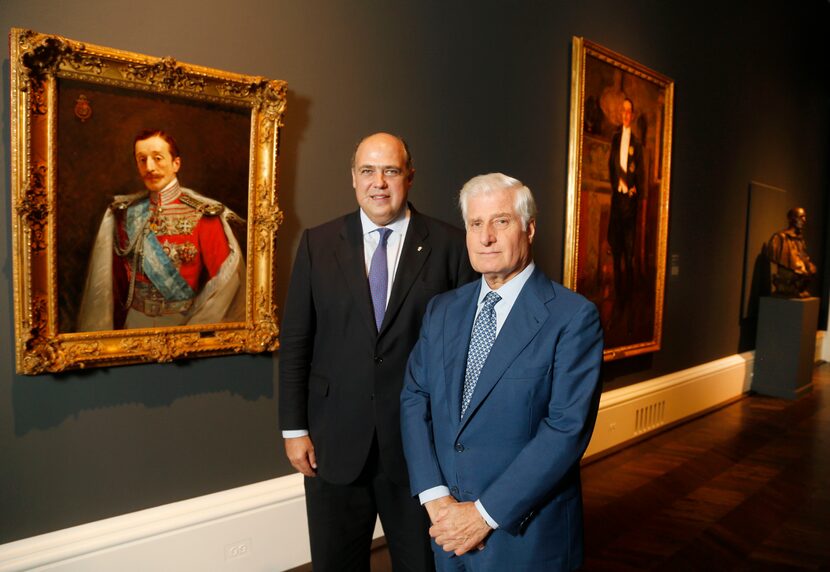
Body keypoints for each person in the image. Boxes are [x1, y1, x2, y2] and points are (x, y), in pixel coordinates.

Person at [279, 132, 477, 572]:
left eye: (390, 170)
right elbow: (296, 340)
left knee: (420, 565)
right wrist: (294, 429)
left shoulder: (448, 245)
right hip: (332, 442)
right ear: (353, 178)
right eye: (368, 171)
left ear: (409, 176)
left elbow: (464, 354)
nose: (379, 183)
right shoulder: (318, 242)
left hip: (417, 447)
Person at [401, 173, 603, 571]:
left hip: (523, 540)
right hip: (445, 529)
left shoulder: (573, 317)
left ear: (529, 228)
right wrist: (434, 495)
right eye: (475, 224)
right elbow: (414, 397)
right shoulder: (443, 310)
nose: (485, 237)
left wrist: (482, 515)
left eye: (501, 221)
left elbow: (566, 429)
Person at [77, 129, 245, 331]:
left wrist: (195, 328)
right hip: (133, 324)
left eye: (158, 158)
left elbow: (225, 284)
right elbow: (113, 286)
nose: (149, 167)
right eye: (142, 159)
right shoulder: (124, 213)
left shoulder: (203, 214)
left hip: (182, 323)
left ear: (176, 164)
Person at [607, 97, 645, 301]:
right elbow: (610, 166)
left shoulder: (637, 144)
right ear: (621, 114)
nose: (626, 114)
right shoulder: (615, 138)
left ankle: (629, 298)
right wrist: (617, 186)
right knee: (617, 250)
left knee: (629, 254)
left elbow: (640, 172)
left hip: (630, 204)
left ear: (633, 115)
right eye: (623, 111)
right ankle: (618, 297)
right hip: (617, 201)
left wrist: (635, 189)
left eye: (629, 111)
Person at [766, 206, 816, 298]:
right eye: (801, 217)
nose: (804, 220)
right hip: (788, 277)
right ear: (792, 219)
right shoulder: (779, 238)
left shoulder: (800, 240)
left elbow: (804, 258)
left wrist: (809, 266)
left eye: (805, 217)